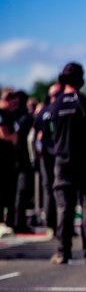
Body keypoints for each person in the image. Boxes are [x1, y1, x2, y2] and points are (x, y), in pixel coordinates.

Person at [49, 62, 86, 264]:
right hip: (85, 162)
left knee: (64, 208)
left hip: (62, 163)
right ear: (80, 79)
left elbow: (48, 136)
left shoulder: (54, 106)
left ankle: (62, 252)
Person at [34, 82, 62, 234]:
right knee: (56, 190)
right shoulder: (60, 110)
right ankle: (55, 224)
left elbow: (36, 135)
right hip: (56, 155)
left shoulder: (43, 111)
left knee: (50, 189)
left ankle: (52, 224)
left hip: (49, 155)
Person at [8, 90, 35, 233]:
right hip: (22, 158)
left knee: (15, 192)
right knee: (20, 192)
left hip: (12, 158)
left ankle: (14, 221)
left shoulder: (11, 116)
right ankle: (18, 223)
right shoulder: (26, 118)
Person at [0, 87, 18, 237]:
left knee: (9, 191)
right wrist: (13, 138)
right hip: (2, 157)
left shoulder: (9, 114)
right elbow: (3, 134)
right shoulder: (2, 114)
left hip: (8, 158)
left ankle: (8, 222)